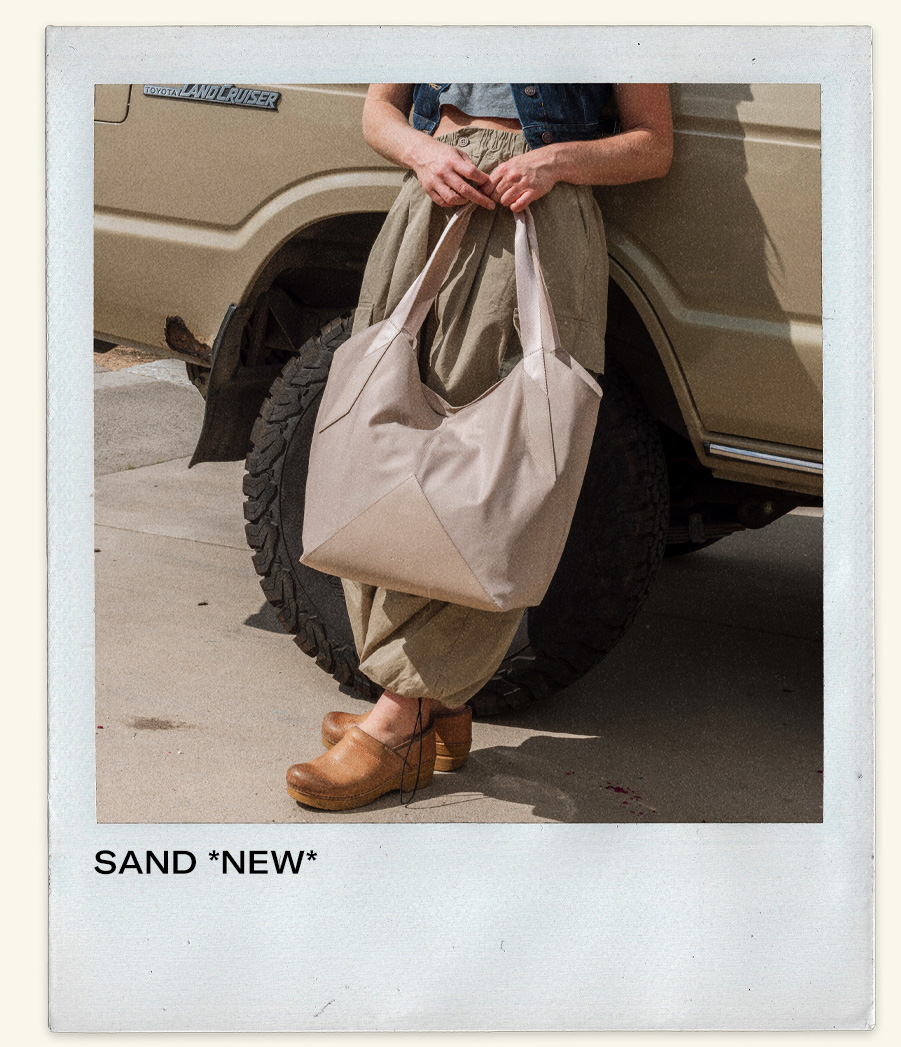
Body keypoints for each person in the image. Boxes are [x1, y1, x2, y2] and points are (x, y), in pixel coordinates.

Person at [286, 83, 673, 811]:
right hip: (426, 208)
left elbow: (651, 144)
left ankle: (399, 719)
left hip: (533, 217)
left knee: (494, 473)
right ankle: (432, 703)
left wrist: (553, 161)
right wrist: (422, 151)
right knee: (382, 443)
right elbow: (380, 111)